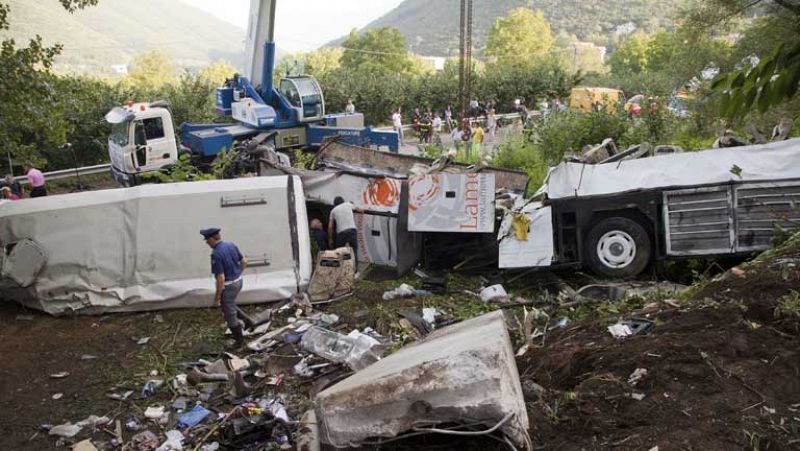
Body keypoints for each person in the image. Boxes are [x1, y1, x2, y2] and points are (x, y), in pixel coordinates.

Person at [201, 227, 253, 348]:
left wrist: (217, 298)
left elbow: (220, 278)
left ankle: (238, 340)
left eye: (207, 240)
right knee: (229, 304)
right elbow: (244, 261)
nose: (206, 242)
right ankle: (248, 321)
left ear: (212, 239)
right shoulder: (231, 245)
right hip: (239, 282)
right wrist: (238, 273)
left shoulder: (216, 254)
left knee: (229, 313)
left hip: (229, 286)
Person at [328, 197, 362, 269]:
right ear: (343, 201)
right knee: (354, 251)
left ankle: (340, 268)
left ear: (335, 204)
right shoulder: (348, 204)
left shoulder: (333, 211)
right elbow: (361, 211)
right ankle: (355, 271)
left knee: (339, 252)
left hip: (341, 233)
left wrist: (330, 239)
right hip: (352, 231)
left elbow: (330, 227)